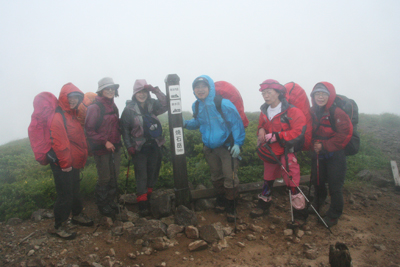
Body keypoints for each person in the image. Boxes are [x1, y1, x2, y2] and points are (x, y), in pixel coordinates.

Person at [183, 75, 245, 223]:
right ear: (194, 90)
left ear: (210, 88)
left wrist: (238, 143)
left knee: (229, 177)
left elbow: (237, 124)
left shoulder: (223, 103)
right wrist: (185, 124)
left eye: (203, 86)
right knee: (216, 177)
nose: (200, 90)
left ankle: (231, 206)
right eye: (197, 87)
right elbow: (198, 122)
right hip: (210, 148)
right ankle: (222, 201)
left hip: (226, 147)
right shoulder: (196, 106)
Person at [252, 79, 308, 225]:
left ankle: (300, 214)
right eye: (263, 92)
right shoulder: (264, 111)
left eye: (269, 92)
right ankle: (263, 205)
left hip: (287, 151)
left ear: (278, 93)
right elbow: (261, 125)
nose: (265, 95)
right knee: (268, 178)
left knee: (292, 180)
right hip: (270, 151)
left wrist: (277, 136)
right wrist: (261, 130)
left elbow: (298, 131)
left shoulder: (292, 111)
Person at [49, 83, 93, 240]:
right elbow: (60, 144)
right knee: (65, 195)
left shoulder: (72, 115)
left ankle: (77, 215)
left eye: (76, 97)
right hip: (63, 164)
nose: (73, 100)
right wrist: (66, 164)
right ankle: (59, 226)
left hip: (72, 162)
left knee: (74, 191)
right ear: (63, 98)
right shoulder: (58, 116)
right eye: (70, 97)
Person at [120, 79, 167, 216]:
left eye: (144, 92)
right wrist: (129, 146)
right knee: (142, 176)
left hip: (154, 144)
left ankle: (149, 197)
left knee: (153, 172)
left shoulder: (152, 105)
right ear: (135, 93)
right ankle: (142, 204)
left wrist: (155, 90)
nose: (142, 94)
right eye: (139, 92)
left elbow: (167, 104)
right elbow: (125, 130)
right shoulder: (129, 110)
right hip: (139, 148)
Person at [310, 82, 353, 227]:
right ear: (313, 96)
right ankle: (317, 204)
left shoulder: (338, 112)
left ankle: (334, 215)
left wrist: (324, 146)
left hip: (336, 155)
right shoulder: (313, 111)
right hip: (318, 153)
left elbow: (344, 135)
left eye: (324, 94)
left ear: (330, 96)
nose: (320, 97)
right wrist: (313, 145)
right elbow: (309, 130)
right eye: (317, 94)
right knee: (318, 181)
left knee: (335, 186)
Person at [85, 77, 122, 217]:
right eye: (107, 88)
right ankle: (102, 206)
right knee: (104, 178)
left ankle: (111, 202)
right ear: (101, 91)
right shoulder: (95, 108)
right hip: (101, 149)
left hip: (115, 147)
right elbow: (89, 131)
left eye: (112, 88)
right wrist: (104, 141)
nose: (111, 90)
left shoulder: (113, 106)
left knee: (114, 177)